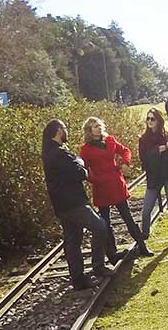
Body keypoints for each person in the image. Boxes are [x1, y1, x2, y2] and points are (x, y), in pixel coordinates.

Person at [41, 119, 119, 290]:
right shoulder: (58, 153)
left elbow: (75, 165)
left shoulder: (50, 152)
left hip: (61, 204)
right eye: (65, 128)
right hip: (73, 202)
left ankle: (78, 279)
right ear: (58, 131)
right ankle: (98, 267)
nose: (66, 131)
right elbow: (79, 171)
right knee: (100, 226)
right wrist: (82, 166)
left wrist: (77, 163)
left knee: (73, 241)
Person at [78, 117, 153, 258]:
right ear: (89, 130)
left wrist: (125, 163)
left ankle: (142, 246)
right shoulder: (85, 150)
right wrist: (95, 179)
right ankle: (112, 253)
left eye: (99, 125)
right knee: (105, 222)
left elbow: (125, 151)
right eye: (95, 126)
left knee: (128, 217)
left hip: (116, 183)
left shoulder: (110, 140)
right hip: (101, 187)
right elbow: (83, 170)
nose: (98, 128)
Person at [139, 108, 168, 247]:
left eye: (153, 119)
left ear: (158, 120)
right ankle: (144, 234)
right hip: (154, 176)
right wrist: (158, 150)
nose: (150, 121)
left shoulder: (167, 135)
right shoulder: (143, 139)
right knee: (146, 210)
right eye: (148, 119)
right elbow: (143, 159)